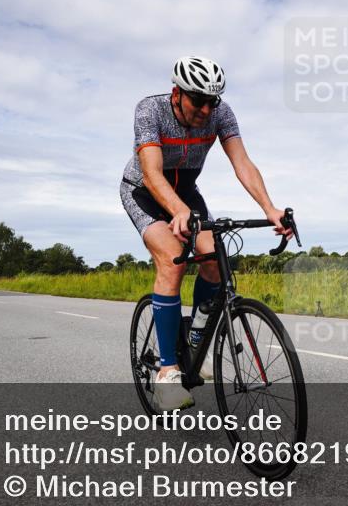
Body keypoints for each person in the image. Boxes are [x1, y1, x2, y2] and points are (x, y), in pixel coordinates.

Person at [120, 57, 291, 411]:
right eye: (197, 99)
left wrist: (269, 209)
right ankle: (167, 373)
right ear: (177, 93)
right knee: (173, 260)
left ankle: (196, 341)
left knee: (215, 257)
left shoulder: (221, 113)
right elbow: (152, 173)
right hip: (145, 191)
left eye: (211, 100)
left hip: (186, 191)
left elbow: (242, 163)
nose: (205, 108)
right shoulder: (150, 110)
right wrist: (177, 211)